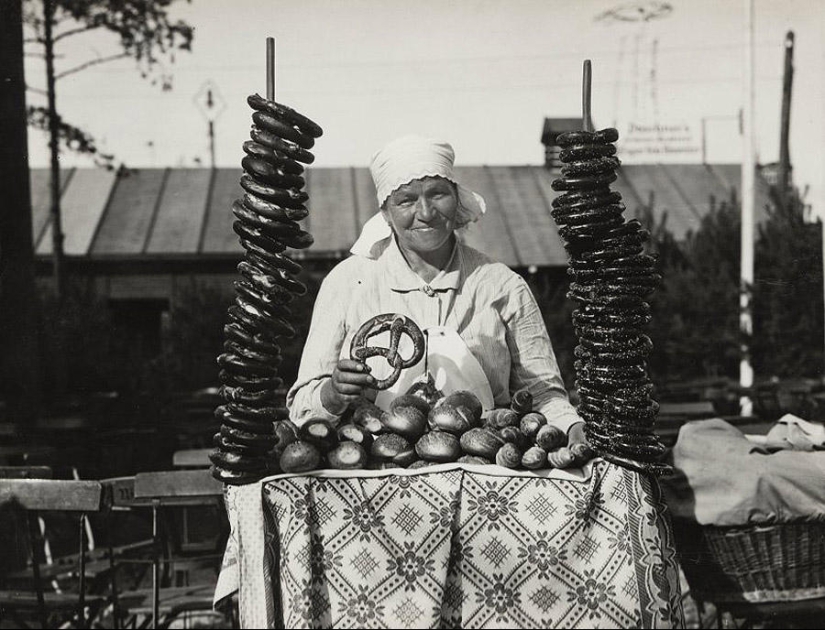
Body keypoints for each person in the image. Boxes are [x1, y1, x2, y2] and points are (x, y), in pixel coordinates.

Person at [287, 134, 587, 459]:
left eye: (438, 194)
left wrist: (573, 429)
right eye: (405, 200)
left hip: (486, 472)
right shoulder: (347, 284)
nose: (425, 212)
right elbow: (302, 409)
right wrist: (332, 393)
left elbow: (543, 393)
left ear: (456, 198)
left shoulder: (503, 286)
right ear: (385, 212)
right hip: (375, 471)